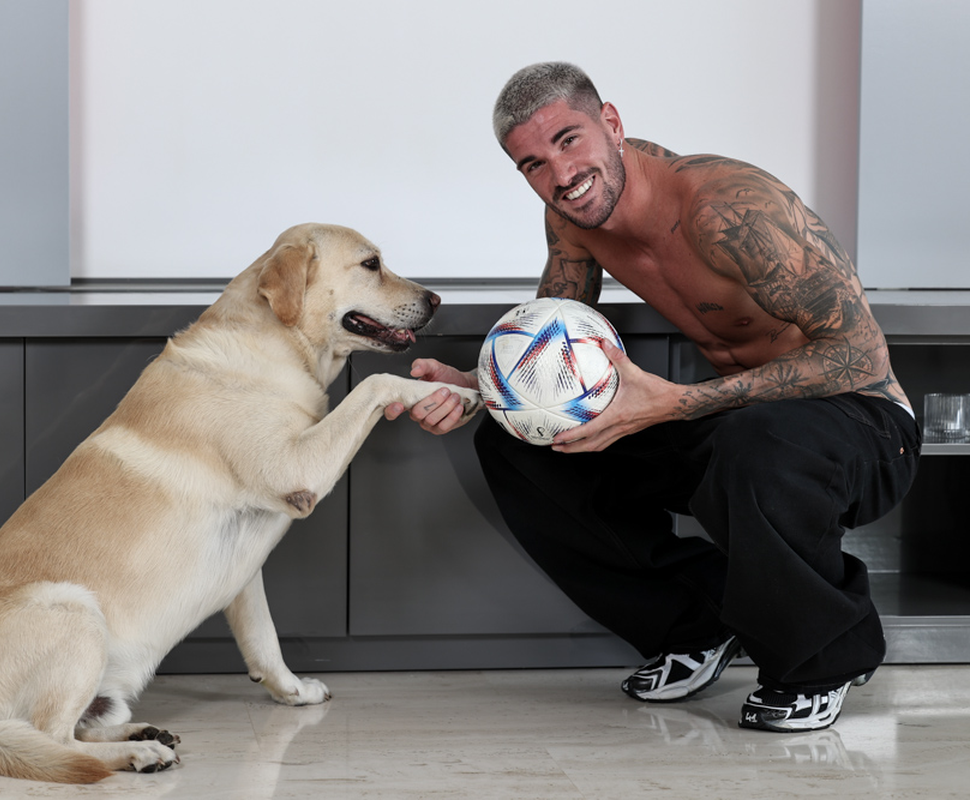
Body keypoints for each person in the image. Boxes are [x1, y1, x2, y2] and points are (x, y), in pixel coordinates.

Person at [385, 61, 920, 732]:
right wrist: (481, 389)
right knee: (523, 443)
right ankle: (693, 624)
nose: (558, 175)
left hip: (862, 423)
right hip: (733, 420)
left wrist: (680, 403)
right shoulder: (571, 219)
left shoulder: (730, 208)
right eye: (531, 164)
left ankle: (824, 656)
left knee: (758, 441)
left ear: (611, 122)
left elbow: (858, 354)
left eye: (569, 140)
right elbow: (552, 351)